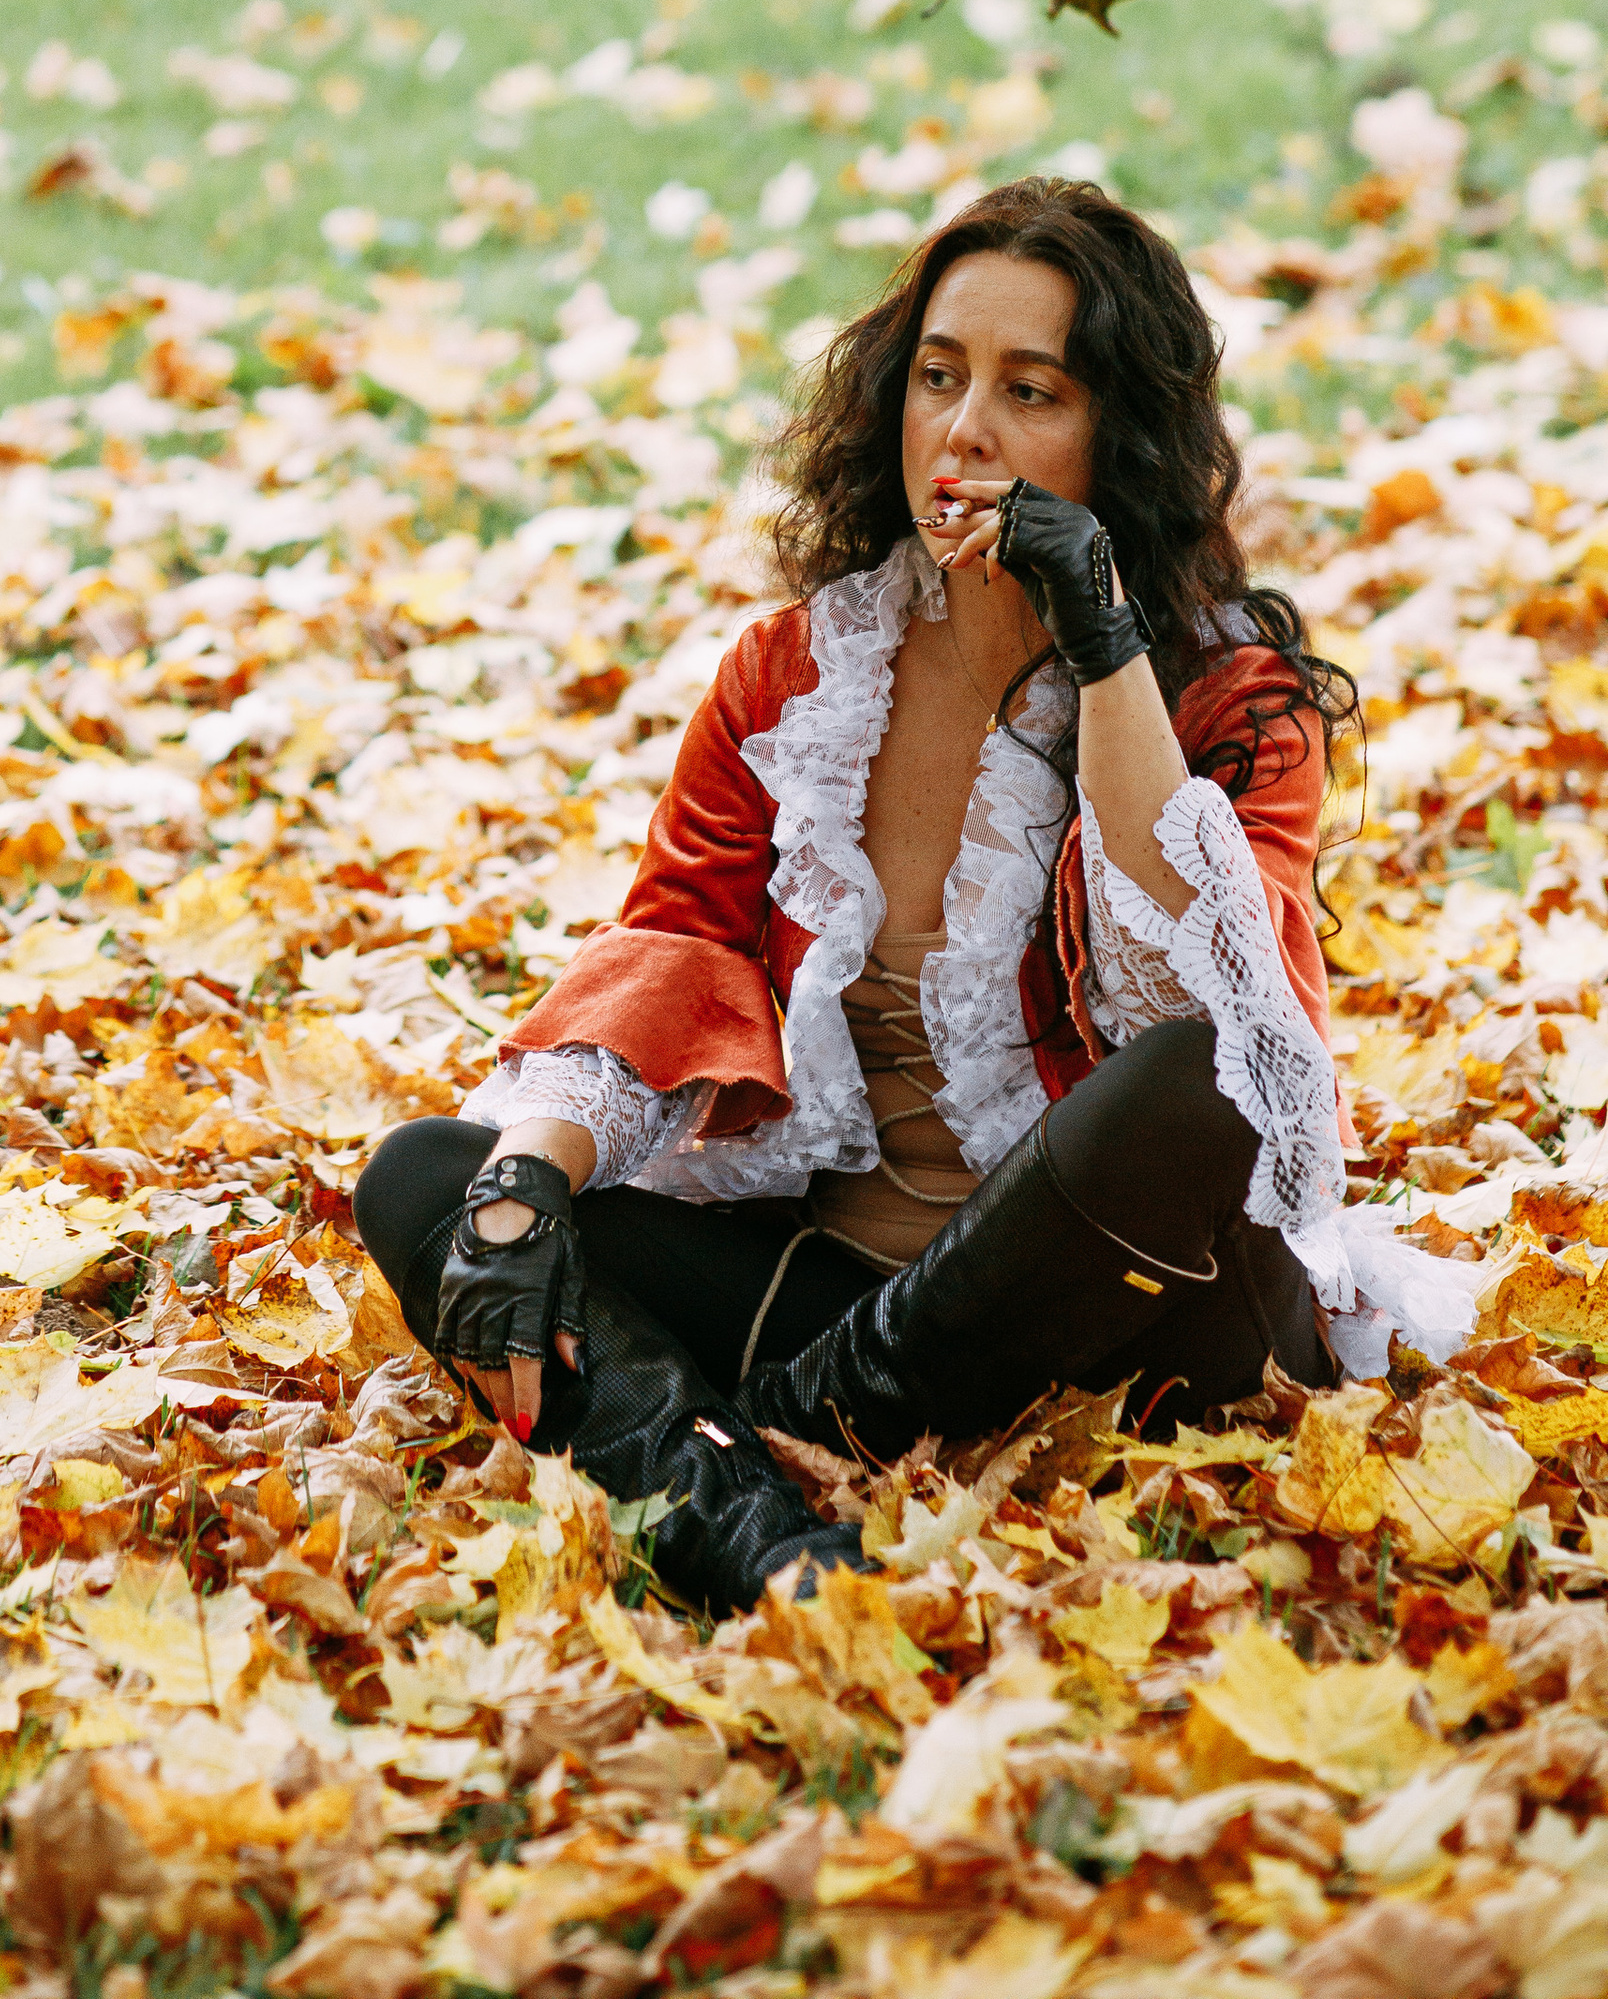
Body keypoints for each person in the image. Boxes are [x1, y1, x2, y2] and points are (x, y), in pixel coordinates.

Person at [354, 175, 1468, 1614]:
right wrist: (523, 1185)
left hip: (1126, 1320)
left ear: (1116, 429)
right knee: (432, 1181)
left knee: (1197, 1086)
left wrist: (1107, 638)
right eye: (939, 378)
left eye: (1031, 390)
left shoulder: (1229, 697)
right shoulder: (796, 678)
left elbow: (1216, 1013)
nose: (967, 431)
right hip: (832, 1294)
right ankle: (759, 1544)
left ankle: (761, 1438)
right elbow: (673, 944)